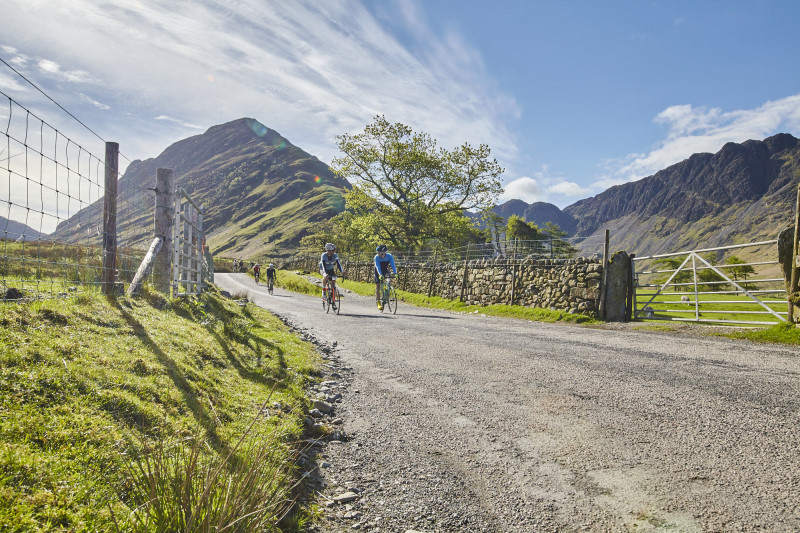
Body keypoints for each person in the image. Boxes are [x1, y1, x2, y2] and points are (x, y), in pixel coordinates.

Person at [319, 243, 345, 308]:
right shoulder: (324, 255)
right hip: (323, 269)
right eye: (333, 250)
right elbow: (323, 266)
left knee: (333, 283)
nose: (334, 251)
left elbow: (338, 264)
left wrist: (342, 271)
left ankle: (333, 302)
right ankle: (324, 290)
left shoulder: (335, 255)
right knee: (325, 277)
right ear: (329, 251)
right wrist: (325, 274)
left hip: (330, 269)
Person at [373, 244, 397, 310]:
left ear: (383, 252)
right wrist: (380, 275)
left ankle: (387, 289)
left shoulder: (389, 256)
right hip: (378, 271)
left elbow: (393, 264)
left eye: (379, 252)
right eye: (377, 252)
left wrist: (395, 273)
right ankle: (378, 302)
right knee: (378, 285)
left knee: (388, 277)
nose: (378, 254)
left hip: (385, 270)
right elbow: (377, 267)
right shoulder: (376, 257)